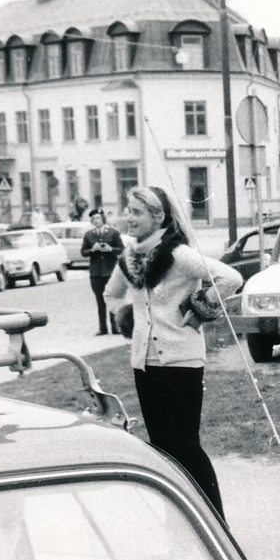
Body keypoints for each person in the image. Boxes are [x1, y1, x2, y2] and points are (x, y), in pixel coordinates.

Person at [104, 186, 242, 518]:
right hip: (144, 364)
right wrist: (126, 317)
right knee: (163, 450)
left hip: (181, 360)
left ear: (158, 217)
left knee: (186, 447)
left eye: (136, 212)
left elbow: (230, 277)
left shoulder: (179, 255)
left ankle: (216, 522)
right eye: (127, 209)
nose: (128, 217)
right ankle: (180, 521)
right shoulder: (130, 258)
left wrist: (198, 309)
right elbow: (111, 295)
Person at [80, 208, 125, 336]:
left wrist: (111, 249)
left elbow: (121, 249)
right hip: (96, 273)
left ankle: (115, 327)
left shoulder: (112, 233)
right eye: (93, 219)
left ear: (102, 218)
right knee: (100, 300)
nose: (95, 221)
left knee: (111, 298)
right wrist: (92, 250)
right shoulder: (89, 234)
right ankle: (102, 328)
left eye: (97, 218)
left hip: (110, 271)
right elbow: (83, 252)